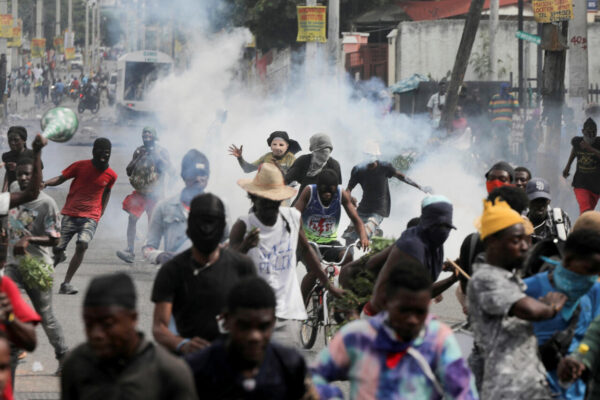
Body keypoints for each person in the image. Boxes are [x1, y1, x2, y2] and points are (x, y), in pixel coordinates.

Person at [311, 260, 478, 399]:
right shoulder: (358, 336)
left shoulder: (438, 339)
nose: (412, 320)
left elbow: (463, 392)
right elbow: (313, 377)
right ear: (386, 303)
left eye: (420, 312)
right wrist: (332, 395)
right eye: (404, 310)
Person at [230, 163, 343, 347]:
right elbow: (227, 261)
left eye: (274, 201)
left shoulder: (291, 217)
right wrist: (245, 246)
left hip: (286, 312)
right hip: (252, 310)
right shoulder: (244, 225)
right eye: (264, 200)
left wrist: (328, 285)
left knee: (285, 365)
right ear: (254, 198)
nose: (270, 206)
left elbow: (307, 251)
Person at [467, 198, 567, 398]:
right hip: (507, 388)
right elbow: (529, 310)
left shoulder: (509, 278)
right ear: (492, 243)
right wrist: (552, 306)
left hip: (529, 383)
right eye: (516, 240)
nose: (524, 246)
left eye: (527, 240)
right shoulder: (487, 278)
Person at [60, 273, 198, 400]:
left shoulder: (169, 371)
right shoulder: (76, 364)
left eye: (107, 324)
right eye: (89, 324)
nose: (96, 334)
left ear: (133, 318)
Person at [151, 193, 256, 355]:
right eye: (201, 222)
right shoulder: (172, 271)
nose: (206, 229)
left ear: (222, 228)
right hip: (186, 364)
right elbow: (159, 327)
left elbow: (255, 317)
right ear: (189, 228)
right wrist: (183, 345)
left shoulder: (243, 266)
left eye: (211, 222)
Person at [186, 277, 316, 399]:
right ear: (226, 320)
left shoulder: (291, 365)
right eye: (244, 326)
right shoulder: (195, 370)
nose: (254, 336)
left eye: (263, 327)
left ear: (273, 322)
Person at [6, 158, 68, 373]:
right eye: (20, 174)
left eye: (28, 175)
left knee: (46, 317)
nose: (23, 178)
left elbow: (55, 239)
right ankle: (12, 350)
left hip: (38, 268)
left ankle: (63, 354)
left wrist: (29, 240)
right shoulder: (14, 189)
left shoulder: (46, 203)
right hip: (13, 265)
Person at [524, 229, 600, 400]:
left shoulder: (595, 292)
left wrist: (580, 361)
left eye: (598, 272)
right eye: (589, 269)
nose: (592, 277)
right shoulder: (528, 289)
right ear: (568, 260)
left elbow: (594, 340)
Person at [363, 196, 459, 317]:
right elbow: (422, 291)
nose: (444, 232)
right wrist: (452, 279)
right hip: (381, 318)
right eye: (440, 226)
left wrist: (446, 267)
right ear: (428, 224)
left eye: (447, 227)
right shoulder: (412, 246)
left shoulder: (435, 243)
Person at [45, 138, 117, 295]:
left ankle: (66, 283)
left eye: (107, 153)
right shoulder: (80, 165)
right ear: (93, 151)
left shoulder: (111, 175)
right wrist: (45, 183)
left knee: (82, 244)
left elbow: (107, 191)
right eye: (100, 152)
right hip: (71, 213)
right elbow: (61, 178)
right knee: (57, 249)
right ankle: (43, 276)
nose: (104, 156)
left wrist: (100, 212)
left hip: (90, 217)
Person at [294, 169, 369, 298]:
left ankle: (342, 296)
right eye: (324, 190)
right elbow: (294, 215)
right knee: (315, 269)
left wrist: (363, 236)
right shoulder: (309, 191)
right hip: (306, 242)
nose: (327, 194)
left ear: (336, 188)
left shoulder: (341, 194)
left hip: (329, 242)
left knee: (348, 257)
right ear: (318, 187)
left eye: (331, 190)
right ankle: (301, 306)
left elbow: (356, 219)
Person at [343, 141, 430, 244]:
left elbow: (401, 177)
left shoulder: (384, 167)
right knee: (349, 236)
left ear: (377, 155)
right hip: (363, 207)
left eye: (371, 155)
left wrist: (420, 187)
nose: (369, 157)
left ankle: (374, 234)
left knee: (364, 236)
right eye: (367, 155)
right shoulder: (358, 169)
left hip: (379, 209)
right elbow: (348, 190)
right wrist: (349, 198)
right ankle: (351, 256)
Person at [142, 150, 210, 265]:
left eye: (202, 173)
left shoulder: (218, 208)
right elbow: (148, 247)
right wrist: (159, 256)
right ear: (183, 176)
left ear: (208, 176)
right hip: (175, 275)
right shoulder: (164, 207)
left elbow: (228, 244)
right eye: (193, 174)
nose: (198, 179)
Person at [116, 127, 173, 264]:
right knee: (132, 218)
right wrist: (139, 158)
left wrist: (158, 158)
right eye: (144, 134)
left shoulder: (162, 151)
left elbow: (171, 170)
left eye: (149, 134)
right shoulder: (139, 150)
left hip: (156, 195)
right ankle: (130, 250)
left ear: (154, 136)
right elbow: (129, 171)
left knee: (154, 225)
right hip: (141, 193)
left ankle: (154, 253)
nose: (146, 136)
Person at [285, 133, 341, 203]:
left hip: (324, 205)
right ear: (314, 151)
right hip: (302, 201)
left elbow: (337, 190)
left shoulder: (334, 165)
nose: (325, 155)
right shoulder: (303, 160)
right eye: (321, 151)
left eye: (328, 151)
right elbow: (287, 180)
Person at [563, 117, 600, 214]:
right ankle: (585, 227)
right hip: (581, 182)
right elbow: (574, 151)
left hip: (595, 184)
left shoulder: (598, 143)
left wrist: (590, 148)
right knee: (585, 209)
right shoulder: (577, 142)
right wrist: (568, 166)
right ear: (583, 131)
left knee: (588, 211)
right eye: (589, 132)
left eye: (594, 132)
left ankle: (584, 226)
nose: (591, 134)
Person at [229, 131, 301, 175]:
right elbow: (247, 169)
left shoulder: (290, 159)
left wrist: (280, 169)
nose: (277, 148)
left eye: (281, 145)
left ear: (287, 146)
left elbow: (292, 179)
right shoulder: (267, 157)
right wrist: (240, 158)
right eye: (274, 144)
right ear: (271, 146)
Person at [526, 177, 571, 244]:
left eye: (543, 200)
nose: (540, 204)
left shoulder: (560, 219)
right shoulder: (521, 223)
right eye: (536, 200)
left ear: (548, 201)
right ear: (527, 201)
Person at [488, 83, 519, 160]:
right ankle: (503, 156)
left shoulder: (495, 97)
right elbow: (517, 108)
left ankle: (499, 156)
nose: (507, 90)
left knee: (499, 139)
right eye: (506, 89)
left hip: (498, 123)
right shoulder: (511, 97)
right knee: (503, 139)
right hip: (505, 123)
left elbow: (489, 110)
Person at [2, 127, 35, 192]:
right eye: (10, 140)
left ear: (24, 140)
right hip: (12, 193)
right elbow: (8, 174)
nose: (12, 143)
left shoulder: (32, 154)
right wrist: (3, 191)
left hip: (28, 192)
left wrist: (18, 168)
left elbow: (38, 174)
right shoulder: (6, 156)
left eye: (16, 140)